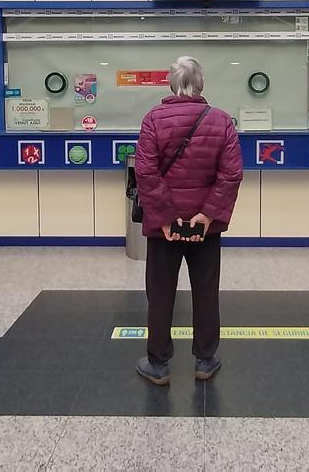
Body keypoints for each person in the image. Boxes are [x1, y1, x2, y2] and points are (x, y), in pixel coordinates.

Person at [133, 56, 243, 385]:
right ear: (201, 84)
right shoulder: (221, 121)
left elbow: (146, 172)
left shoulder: (153, 119)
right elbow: (231, 174)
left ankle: (158, 363)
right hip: (204, 229)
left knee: (161, 292)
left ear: (171, 83)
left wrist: (165, 217)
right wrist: (206, 214)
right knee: (206, 290)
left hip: (163, 229)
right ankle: (205, 360)